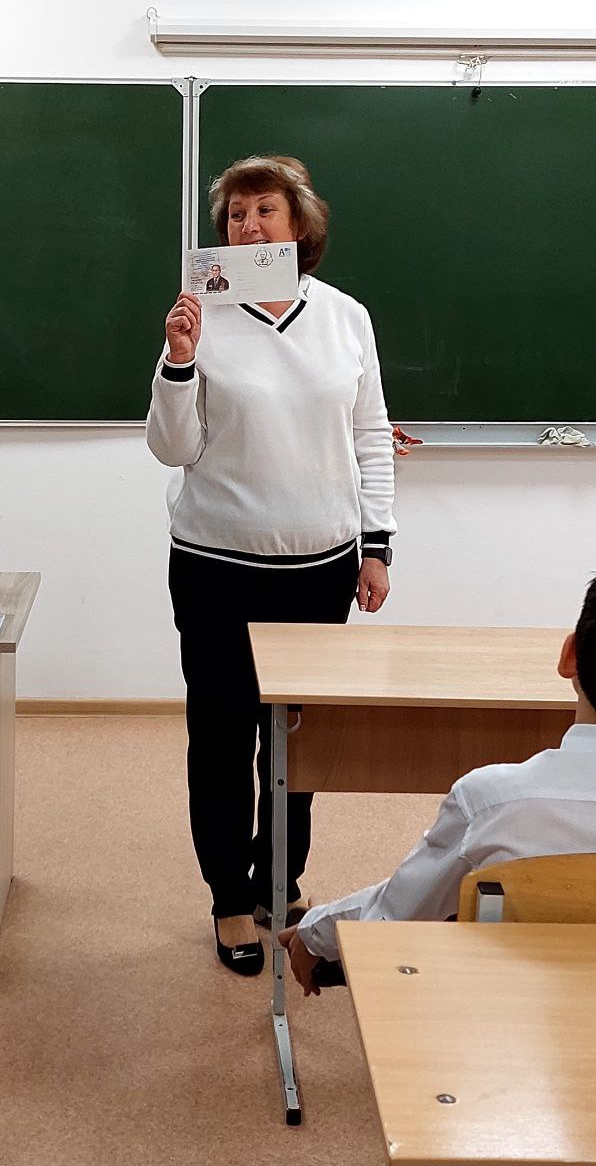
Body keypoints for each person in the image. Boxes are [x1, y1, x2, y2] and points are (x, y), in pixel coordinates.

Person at [146, 155, 396, 976]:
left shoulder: (345, 316)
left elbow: (369, 435)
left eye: (264, 210)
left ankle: (278, 881)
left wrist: (377, 544)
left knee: (294, 744)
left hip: (319, 570)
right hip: (216, 566)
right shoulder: (202, 316)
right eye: (235, 215)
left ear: (299, 226)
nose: (248, 227)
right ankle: (229, 896)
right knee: (221, 741)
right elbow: (172, 448)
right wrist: (179, 358)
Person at [279, 549, 596, 995]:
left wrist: (315, 931)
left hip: (513, 1012)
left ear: (569, 656)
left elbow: (396, 914)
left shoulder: (493, 802)